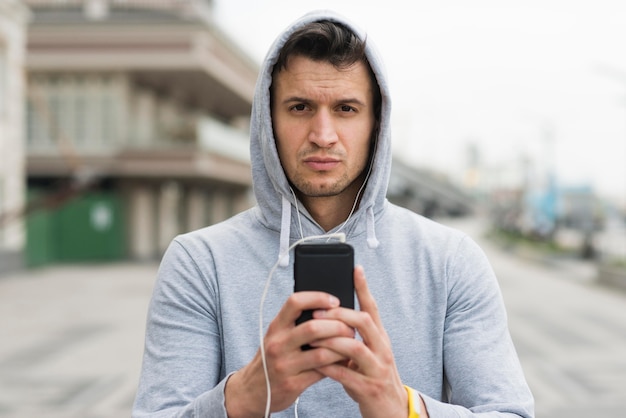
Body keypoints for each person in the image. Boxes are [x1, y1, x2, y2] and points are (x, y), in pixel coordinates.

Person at [132, 10, 534, 418]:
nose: (322, 135)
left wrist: (406, 408)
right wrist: (239, 399)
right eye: (300, 107)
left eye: (345, 108)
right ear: (267, 121)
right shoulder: (198, 262)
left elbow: (510, 413)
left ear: (377, 124)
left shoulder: (450, 261)